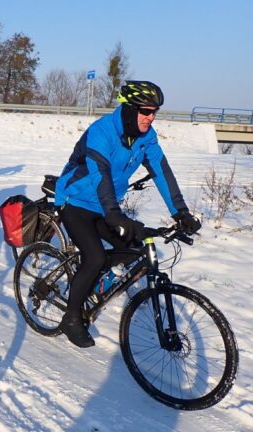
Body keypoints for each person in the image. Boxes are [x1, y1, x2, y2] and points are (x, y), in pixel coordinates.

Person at [53, 80, 202, 348]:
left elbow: (161, 172)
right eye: (145, 111)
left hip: (106, 205)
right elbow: (101, 174)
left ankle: (95, 281)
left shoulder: (147, 137)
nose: (151, 117)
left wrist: (180, 212)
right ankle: (71, 317)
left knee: (135, 247)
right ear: (130, 108)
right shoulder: (102, 132)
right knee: (95, 256)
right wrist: (114, 214)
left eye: (155, 111)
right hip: (76, 201)